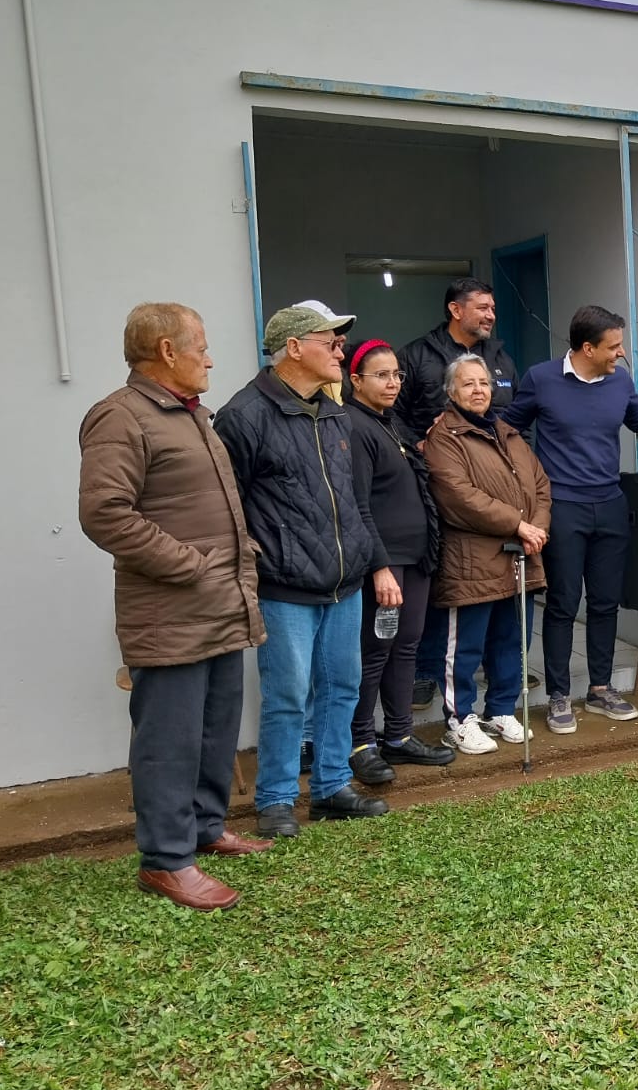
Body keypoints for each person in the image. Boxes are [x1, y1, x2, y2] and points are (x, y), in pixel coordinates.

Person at [78, 302, 270, 911]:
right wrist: (189, 564)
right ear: (166, 351)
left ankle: (206, 828)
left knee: (215, 730)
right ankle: (166, 860)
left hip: (219, 605)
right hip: (171, 612)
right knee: (170, 738)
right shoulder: (120, 417)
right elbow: (104, 513)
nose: (210, 357)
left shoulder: (191, 416)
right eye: (202, 346)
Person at [215, 303, 388, 838]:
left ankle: (333, 786)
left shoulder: (336, 413)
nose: (342, 351)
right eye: (330, 341)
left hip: (345, 583)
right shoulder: (242, 416)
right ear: (294, 348)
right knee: (289, 695)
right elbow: (226, 506)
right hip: (285, 587)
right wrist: (257, 555)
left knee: (342, 687)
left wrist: (371, 559)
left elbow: (355, 502)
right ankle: (276, 799)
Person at [502, 305, 638, 734]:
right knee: (562, 602)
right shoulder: (541, 379)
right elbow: (508, 429)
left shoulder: (619, 380)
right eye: (614, 346)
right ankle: (559, 695)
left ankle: (600, 687)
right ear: (587, 347)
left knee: (605, 601)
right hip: (563, 508)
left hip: (610, 503)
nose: (621, 353)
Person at [395, 279, 518, 710]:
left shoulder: (499, 357)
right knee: (446, 582)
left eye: (493, 308)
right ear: (455, 309)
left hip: (497, 491)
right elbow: (393, 414)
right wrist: (420, 447)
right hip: (438, 489)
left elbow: (513, 416)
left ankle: (487, 670)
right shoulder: (416, 356)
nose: (490, 315)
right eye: (482, 308)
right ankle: (430, 671)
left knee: (495, 583)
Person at [423, 354, 550, 754]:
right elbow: (458, 497)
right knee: (466, 646)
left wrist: (538, 527)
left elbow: (541, 484)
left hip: (520, 555)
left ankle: (500, 709)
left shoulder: (508, 432)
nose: (478, 390)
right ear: (450, 392)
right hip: (472, 562)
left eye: (483, 383)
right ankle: (460, 719)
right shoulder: (445, 438)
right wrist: (518, 524)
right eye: (468, 384)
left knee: (512, 641)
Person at [343, 340, 456, 785]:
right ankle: (360, 743)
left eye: (397, 375)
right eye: (381, 376)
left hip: (415, 558)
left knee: (405, 645)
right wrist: (379, 566)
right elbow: (359, 505)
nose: (392, 383)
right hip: (385, 564)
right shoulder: (355, 427)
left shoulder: (392, 424)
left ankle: (399, 735)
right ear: (355, 381)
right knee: (375, 651)